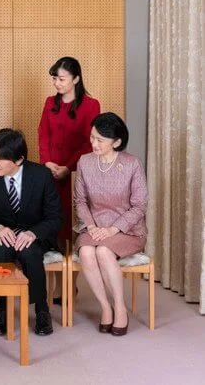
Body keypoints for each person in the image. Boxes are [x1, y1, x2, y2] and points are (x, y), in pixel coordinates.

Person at [0, 128, 62, 336]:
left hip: (34, 234)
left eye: (1, 158)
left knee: (30, 253)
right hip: (3, 234)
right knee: (1, 253)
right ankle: (3, 310)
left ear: (19, 159)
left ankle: (41, 309)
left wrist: (33, 233)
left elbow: (55, 217)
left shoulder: (41, 175)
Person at [74, 112, 147, 336]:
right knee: (87, 252)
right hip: (93, 228)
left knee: (104, 252)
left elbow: (140, 206)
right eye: (92, 137)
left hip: (127, 230)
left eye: (100, 140)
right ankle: (106, 307)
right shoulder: (85, 162)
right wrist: (92, 226)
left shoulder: (132, 164)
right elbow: (80, 201)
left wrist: (113, 229)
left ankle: (120, 308)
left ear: (116, 142)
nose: (94, 143)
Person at [38, 56, 100, 304]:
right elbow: (42, 134)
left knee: (72, 229)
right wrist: (47, 163)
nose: (57, 83)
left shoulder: (91, 105)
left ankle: (70, 286)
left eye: (62, 79)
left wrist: (68, 168)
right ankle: (56, 284)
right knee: (53, 230)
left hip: (76, 173)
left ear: (76, 78)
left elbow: (88, 141)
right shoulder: (49, 103)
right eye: (54, 78)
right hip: (51, 171)